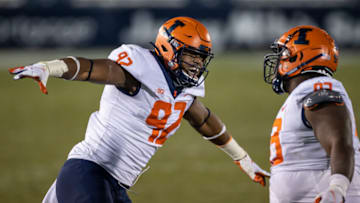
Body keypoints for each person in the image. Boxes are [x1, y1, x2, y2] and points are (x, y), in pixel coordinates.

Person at [9, 16, 269, 203]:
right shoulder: (138, 69)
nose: (197, 64)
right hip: (90, 169)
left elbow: (205, 121)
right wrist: (49, 67)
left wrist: (242, 158)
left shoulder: (186, 90)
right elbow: (92, 68)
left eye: (201, 58)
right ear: (169, 48)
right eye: (191, 56)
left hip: (116, 185)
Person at [263, 25, 360, 203]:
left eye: (282, 54)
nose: (277, 62)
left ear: (296, 57)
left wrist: (337, 189)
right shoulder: (306, 92)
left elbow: (340, 141)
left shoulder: (318, 88)